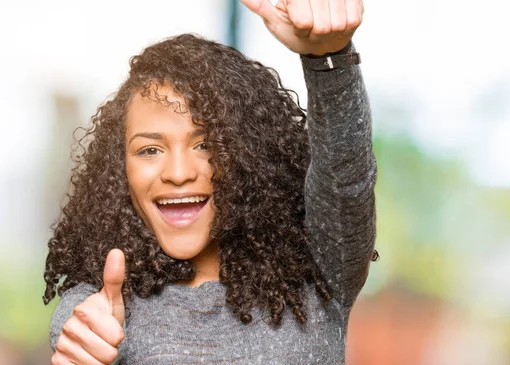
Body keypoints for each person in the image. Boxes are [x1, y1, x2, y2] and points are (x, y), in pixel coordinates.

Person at [44, 0, 376, 364]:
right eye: (150, 150)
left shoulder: (320, 271)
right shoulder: (97, 311)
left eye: (205, 144)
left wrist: (329, 58)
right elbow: (80, 330)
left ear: (251, 155)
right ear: (119, 170)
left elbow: (346, 180)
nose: (179, 172)